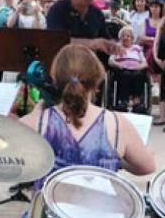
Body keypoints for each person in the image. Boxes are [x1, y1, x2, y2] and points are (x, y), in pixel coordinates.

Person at [21, 44, 155, 184]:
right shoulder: (116, 123)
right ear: (97, 78)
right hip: (100, 205)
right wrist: (117, 160)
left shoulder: (37, 122)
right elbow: (146, 167)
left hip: (49, 205)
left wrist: (38, 110)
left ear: (55, 78)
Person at [46, 0, 119, 56]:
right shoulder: (57, 10)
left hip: (89, 65)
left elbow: (105, 38)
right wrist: (92, 43)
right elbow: (57, 41)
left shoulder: (96, 13)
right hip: (62, 65)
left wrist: (114, 46)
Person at [109, 27, 149, 112]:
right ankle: (123, 102)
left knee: (138, 76)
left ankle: (137, 103)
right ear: (120, 39)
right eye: (123, 36)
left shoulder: (137, 48)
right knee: (125, 75)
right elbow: (110, 60)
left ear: (132, 38)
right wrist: (118, 64)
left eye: (128, 36)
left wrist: (139, 67)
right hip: (122, 69)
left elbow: (144, 63)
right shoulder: (117, 47)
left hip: (136, 69)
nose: (125, 38)